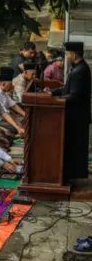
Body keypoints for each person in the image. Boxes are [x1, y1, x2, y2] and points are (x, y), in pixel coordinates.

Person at [50, 41, 91, 181]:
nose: (66, 57)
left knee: (75, 146)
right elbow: (68, 88)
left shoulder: (80, 71)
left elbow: (75, 95)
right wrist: (53, 92)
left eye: (67, 54)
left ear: (74, 54)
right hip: (74, 114)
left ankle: (71, 175)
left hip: (76, 116)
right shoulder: (78, 68)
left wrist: (56, 100)